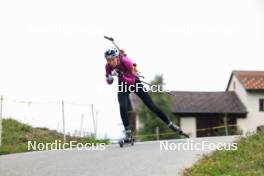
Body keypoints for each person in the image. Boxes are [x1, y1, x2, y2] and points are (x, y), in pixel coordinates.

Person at [104, 47, 188, 140]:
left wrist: (121, 75)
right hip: (123, 85)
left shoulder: (126, 62)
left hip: (134, 82)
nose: (111, 62)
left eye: (112, 59)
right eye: (108, 60)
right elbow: (109, 82)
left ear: (117, 57)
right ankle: (128, 132)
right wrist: (109, 78)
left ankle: (170, 124)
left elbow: (131, 81)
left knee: (151, 105)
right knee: (122, 106)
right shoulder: (108, 66)